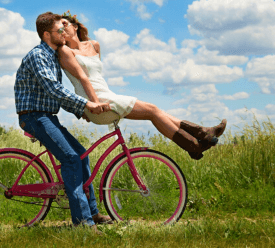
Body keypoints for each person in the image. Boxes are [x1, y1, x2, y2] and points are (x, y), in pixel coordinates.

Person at [57, 11, 227, 160]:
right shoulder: (65, 51)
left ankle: (201, 135)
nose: (62, 29)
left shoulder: (94, 45)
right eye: (58, 28)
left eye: (64, 24)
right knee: (152, 111)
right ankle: (196, 142)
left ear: (75, 26)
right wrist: (92, 105)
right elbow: (83, 79)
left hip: (106, 95)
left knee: (155, 111)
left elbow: (97, 77)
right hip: (96, 102)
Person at [14, 12, 113, 231]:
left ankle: (93, 213)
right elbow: (54, 89)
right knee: (71, 159)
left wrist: (81, 112)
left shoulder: (52, 56)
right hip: (34, 116)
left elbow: (56, 96)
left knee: (82, 155)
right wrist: (87, 105)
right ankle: (83, 223)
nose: (64, 33)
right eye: (60, 29)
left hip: (47, 116)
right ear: (47, 34)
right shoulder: (39, 55)